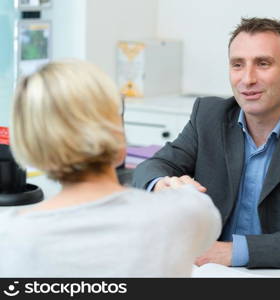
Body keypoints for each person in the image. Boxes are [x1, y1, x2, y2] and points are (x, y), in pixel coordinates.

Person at [133, 17, 280, 269]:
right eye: (237, 65)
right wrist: (160, 184)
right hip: (207, 272)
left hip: (276, 276)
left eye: (263, 64)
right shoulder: (208, 116)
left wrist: (234, 252)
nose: (247, 78)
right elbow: (152, 167)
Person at [0, 60, 221, 277]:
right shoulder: (188, 212)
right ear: (116, 132)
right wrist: (184, 191)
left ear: (30, 145)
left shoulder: (11, 236)